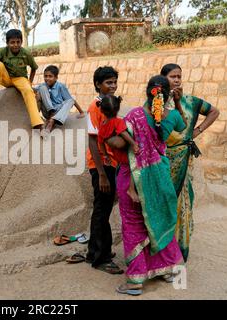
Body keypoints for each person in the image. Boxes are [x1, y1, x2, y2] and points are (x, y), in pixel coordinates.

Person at [111, 75, 186, 296]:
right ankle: (170, 268)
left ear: (147, 91)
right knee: (159, 221)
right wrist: (178, 103)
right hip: (161, 179)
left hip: (134, 181)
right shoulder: (171, 116)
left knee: (134, 226)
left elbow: (120, 143)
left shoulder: (134, 115)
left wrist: (107, 132)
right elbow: (182, 127)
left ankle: (135, 280)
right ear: (165, 94)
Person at [161, 63, 220, 262]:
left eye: (179, 76)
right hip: (162, 160)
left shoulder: (191, 102)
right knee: (163, 202)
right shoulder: (156, 103)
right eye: (172, 76)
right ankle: (161, 251)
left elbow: (214, 111)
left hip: (183, 160)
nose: (176, 80)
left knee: (182, 203)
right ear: (163, 79)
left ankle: (179, 249)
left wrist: (199, 130)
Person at [85, 66, 123, 274]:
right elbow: (92, 141)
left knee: (102, 208)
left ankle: (95, 251)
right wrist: (101, 174)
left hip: (110, 163)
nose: (113, 86)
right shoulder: (95, 107)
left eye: (115, 82)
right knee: (102, 210)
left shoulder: (109, 105)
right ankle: (101, 258)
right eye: (109, 82)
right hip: (101, 164)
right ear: (98, 84)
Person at [0, 29, 44, 130]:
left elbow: (34, 68)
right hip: (7, 79)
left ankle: (37, 123)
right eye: (12, 42)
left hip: (20, 79)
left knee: (29, 91)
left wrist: (30, 83)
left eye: (18, 42)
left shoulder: (26, 54)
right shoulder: (4, 51)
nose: (15, 45)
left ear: (21, 42)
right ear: (7, 43)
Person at [96, 95, 140, 203]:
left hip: (117, 156)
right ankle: (131, 189)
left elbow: (100, 143)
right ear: (118, 108)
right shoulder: (118, 121)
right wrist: (134, 144)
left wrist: (105, 155)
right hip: (125, 154)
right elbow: (123, 133)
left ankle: (120, 191)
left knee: (124, 170)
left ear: (101, 110)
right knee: (134, 166)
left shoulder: (102, 126)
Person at [34, 65, 85, 133]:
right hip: (47, 111)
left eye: (50, 76)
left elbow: (71, 100)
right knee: (41, 89)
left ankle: (51, 121)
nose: (47, 78)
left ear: (56, 78)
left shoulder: (61, 86)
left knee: (70, 100)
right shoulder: (43, 85)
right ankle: (42, 117)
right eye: (45, 76)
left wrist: (81, 112)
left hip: (57, 112)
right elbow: (32, 89)